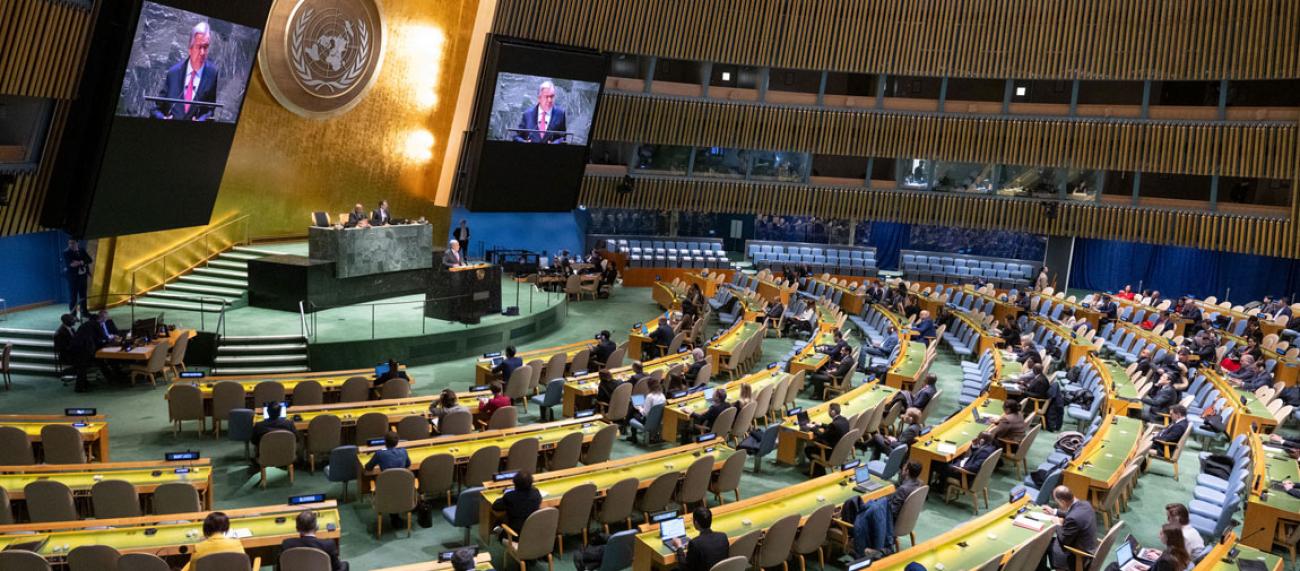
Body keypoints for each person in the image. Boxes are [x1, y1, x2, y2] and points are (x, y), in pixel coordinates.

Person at [151, 22, 218, 121]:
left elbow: (210, 109)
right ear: (190, 49)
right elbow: (156, 109)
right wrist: (163, 118)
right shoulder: (173, 73)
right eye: (199, 47)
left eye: (206, 47)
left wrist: (201, 120)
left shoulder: (212, 73)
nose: (203, 52)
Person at [1044, 486, 1098, 569]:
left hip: (1079, 556)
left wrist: (1057, 524)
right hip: (1089, 546)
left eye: (1057, 502)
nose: (1057, 504)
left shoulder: (1073, 518)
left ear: (1062, 501)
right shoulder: (1085, 504)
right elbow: (1073, 513)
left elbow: (1064, 541)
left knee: (1045, 544)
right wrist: (1054, 511)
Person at [280, 510, 349, 571]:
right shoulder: (328, 545)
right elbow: (337, 568)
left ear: (297, 528)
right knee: (345, 564)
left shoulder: (286, 545)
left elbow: (281, 567)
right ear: (317, 527)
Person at [933, 432, 999, 494]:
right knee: (953, 460)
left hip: (965, 474)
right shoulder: (990, 447)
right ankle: (941, 485)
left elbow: (975, 467)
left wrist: (960, 468)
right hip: (967, 466)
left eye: (978, 438)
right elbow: (976, 455)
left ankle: (939, 488)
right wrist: (974, 445)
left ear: (982, 440)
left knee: (937, 463)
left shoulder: (984, 452)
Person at [668, 506, 728, 571]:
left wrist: (679, 547)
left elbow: (684, 568)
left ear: (696, 523)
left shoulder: (695, 543)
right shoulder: (723, 536)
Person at [804, 403, 850, 474]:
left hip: (830, 453)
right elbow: (832, 428)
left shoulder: (834, 425)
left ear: (833, 412)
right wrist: (821, 424)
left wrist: (813, 427)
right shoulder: (844, 420)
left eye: (829, 410)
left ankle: (818, 471)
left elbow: (822, 436)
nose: (828, 412)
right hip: (841, 452)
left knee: (808, 449)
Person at [63, 239, 93, 318]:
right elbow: (71, 264)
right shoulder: (66, 252)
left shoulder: (82, 250)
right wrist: (83, 261)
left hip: (83, 276)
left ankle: (84, 312)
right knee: (73, 297)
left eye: (73, 243)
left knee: (83, 296)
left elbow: (89, 260)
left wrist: (80, 262)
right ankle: (73, 315)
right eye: (69, 243)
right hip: (73, 278)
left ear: (77, 243)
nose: (71, 245)